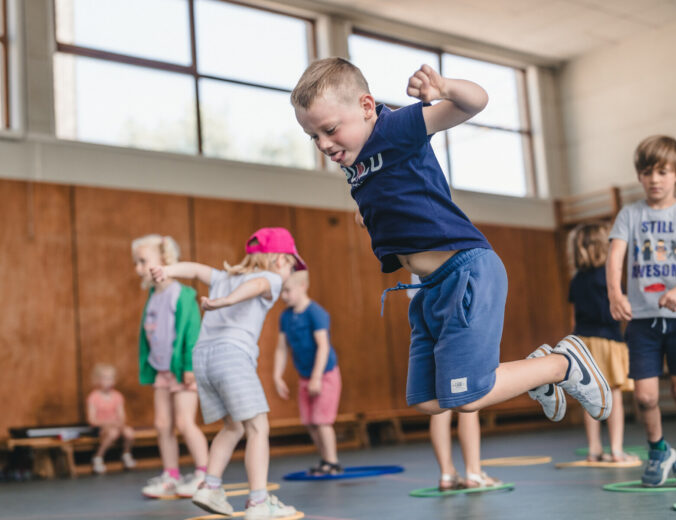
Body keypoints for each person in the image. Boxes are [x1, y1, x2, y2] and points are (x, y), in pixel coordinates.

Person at [291, 57, 611, 431]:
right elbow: (395, 188)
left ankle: (562, 364)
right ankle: (537, 371)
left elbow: (476, 101)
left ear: (365, 107)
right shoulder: (356, 160)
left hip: (465, 272)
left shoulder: (394, 128)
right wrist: (369, 212)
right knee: (428, 401)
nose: (324, 144)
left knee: (470, 397)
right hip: (431, 288)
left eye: (329, 130)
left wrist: (443, 88)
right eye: (314, 137)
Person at [150, 227, 303, 519]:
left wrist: (167, 270)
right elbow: (258, 284)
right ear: (280, 260)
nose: (291, 271)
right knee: (258, 428)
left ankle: (210, 486)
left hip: (204, 358)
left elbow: (194, 269)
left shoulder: (224, 277)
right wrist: (225, 302)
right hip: (232, 355)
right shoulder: (269, 277)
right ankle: (259, 502)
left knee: (233, 426)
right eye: (293, 264)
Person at [607, 135, 676, 486]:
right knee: (647, 396)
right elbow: (616, 254)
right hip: (642, 320)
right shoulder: (630, 214)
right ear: (639, 176)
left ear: (675, 175)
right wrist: (615, 292)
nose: (655, 179)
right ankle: (658, 449)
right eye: (647, 172)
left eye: (663, 171)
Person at [132, 234, 208, 498]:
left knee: (185, 422)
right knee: (163, 424)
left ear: (163, 260)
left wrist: (189, 366)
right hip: (161, 371)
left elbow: (192, 333)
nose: (138, 268)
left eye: (143, 261)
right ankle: (171, 475)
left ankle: (203, 474)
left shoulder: (184, 295)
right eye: (136, 262)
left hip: (182, 371)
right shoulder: (153, 295)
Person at [406, 277, 498, 490]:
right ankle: (473, 473)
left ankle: (447, 474)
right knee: (469, 398)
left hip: (427, 327)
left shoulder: (416, 256)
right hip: (455, 327)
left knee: (440, 401)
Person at [568, 223, 636, 463]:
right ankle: (616, 450)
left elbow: (575, 317)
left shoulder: (577, 280)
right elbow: (613, 311)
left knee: (590, 395)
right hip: (608, 340)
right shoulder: (607, 277)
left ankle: (594, 448)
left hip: (583, 342)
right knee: (613, 395)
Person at [274, 270, 342, 475]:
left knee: (322, 421)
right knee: (311, 422)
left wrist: (316, 378)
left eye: (287, 291)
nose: (283, 296)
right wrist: (277, 376)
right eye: (282, 291)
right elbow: (281, 348)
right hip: (305, 376)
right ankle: (324, 459)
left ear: (303, 286)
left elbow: (323, 346)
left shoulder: (315, 313)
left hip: (325, 374)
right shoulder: (285, 317)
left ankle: (332, 462)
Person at [87, 363, 136, 474]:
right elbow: (92, 419)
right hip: (101, 428)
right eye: (105, 378)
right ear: (98, 380)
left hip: (117, 425)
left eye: (110, 378)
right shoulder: (94, 397)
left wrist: (118, 423)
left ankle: (126, 454)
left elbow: (122, 417)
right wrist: (106, 423)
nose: (108, 381)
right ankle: (98, 457)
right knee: (112, 433)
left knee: (129, 433)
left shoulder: (117, 396)